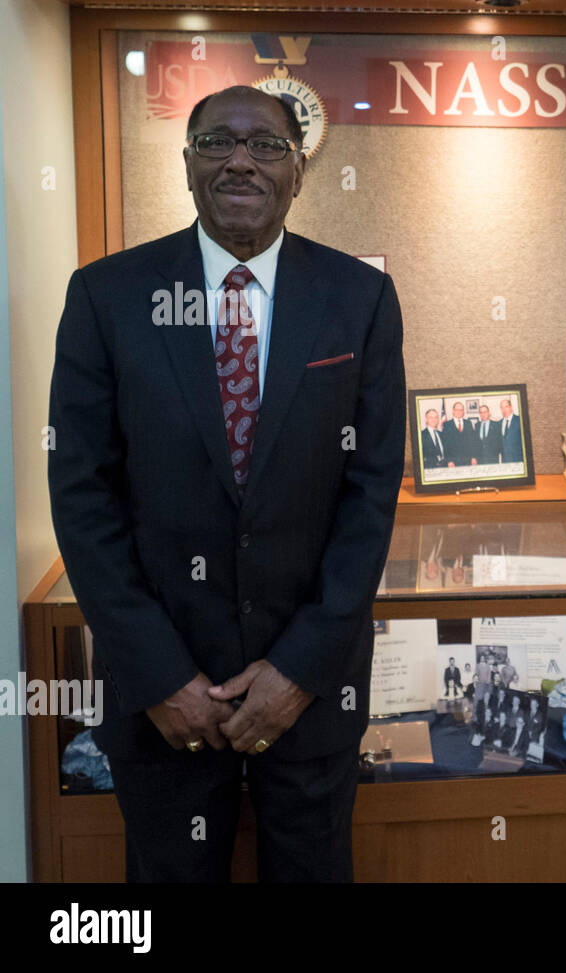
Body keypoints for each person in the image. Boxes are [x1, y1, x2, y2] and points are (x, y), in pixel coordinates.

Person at [47, 86, 405, 882]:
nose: (241, 158)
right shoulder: (107, 298)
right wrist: (162, 676)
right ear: (186, 165)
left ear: (299, 171)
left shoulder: (360, 300)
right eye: (216, 142)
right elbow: (82, 497)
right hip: (164, 702)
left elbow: (371, 495)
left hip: (311, 697)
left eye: (266, 145)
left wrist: (298, 671)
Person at [440, 401, 477, 466]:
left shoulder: (468, 423)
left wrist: (473, 457)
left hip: (468, 461)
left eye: (461, 410)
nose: (459, 411)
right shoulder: (447, 425)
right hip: (453, 462)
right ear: (453, 411)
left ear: (463, 411)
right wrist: (449, 461)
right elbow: (445, 445)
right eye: (457, 410)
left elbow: (472, 443)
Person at [499, 397, 525, 463]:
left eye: (506, 407)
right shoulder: (499, 423)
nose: (504, 410)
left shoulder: (520, 420)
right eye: (502, 408)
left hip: (518, 460)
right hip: (505, 461)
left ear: (511, 407)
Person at [420, 407, 446, 472]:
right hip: (430, 470)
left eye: (436, 417)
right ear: (426, 419)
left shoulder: (442, 434)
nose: (434, 420)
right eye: (431, 417)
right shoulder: (421, 435)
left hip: (445, 468)